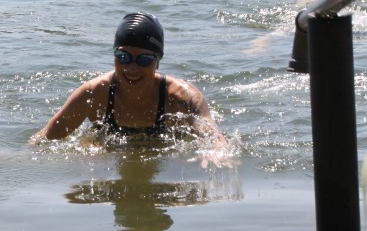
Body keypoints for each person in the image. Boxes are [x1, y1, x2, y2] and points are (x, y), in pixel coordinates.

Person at [31, 12, 226, 148]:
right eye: (123, 57)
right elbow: (45, 138)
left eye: (144, 60)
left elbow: (215, 138)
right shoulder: (94, 93)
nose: (132, 69)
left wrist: (217, 153)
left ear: (157, 63)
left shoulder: (181, 97)